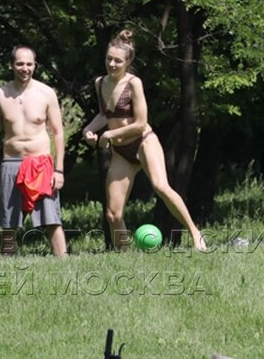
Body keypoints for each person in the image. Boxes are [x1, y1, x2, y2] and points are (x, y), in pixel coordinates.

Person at [83, 30, 207, 251]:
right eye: (109, 59)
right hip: (121, 151)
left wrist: (110, 135)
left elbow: (141, 123)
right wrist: (89, 130)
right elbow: (104, 114)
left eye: (118, 61)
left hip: (143, 142)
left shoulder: (133, 83)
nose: (112, 64)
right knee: (113, 214)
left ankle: (196, 234)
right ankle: (124, 254)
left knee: (161, 186)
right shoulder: (100, 83)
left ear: (128, 62)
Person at [0, 45, 68, 257]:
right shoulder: (0, 95)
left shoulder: (46, 93)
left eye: (29, 64)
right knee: (8, 221)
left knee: (52, 219)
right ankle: (7, 264)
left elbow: (58, 133)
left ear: (35, 65)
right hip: (11, 162)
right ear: (12, 65)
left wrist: (59, 170)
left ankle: (63, 260)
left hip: (41, 164)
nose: (25, 68)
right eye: (20, 63)